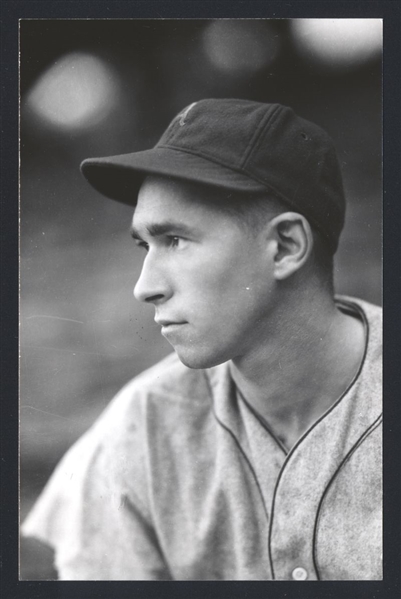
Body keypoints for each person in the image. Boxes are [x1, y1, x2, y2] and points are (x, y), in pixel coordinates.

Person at [22, 99, 382, 581]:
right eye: (144, 245)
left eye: (175, 240)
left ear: (286, 246)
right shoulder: (145, 424)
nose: (144, 286)